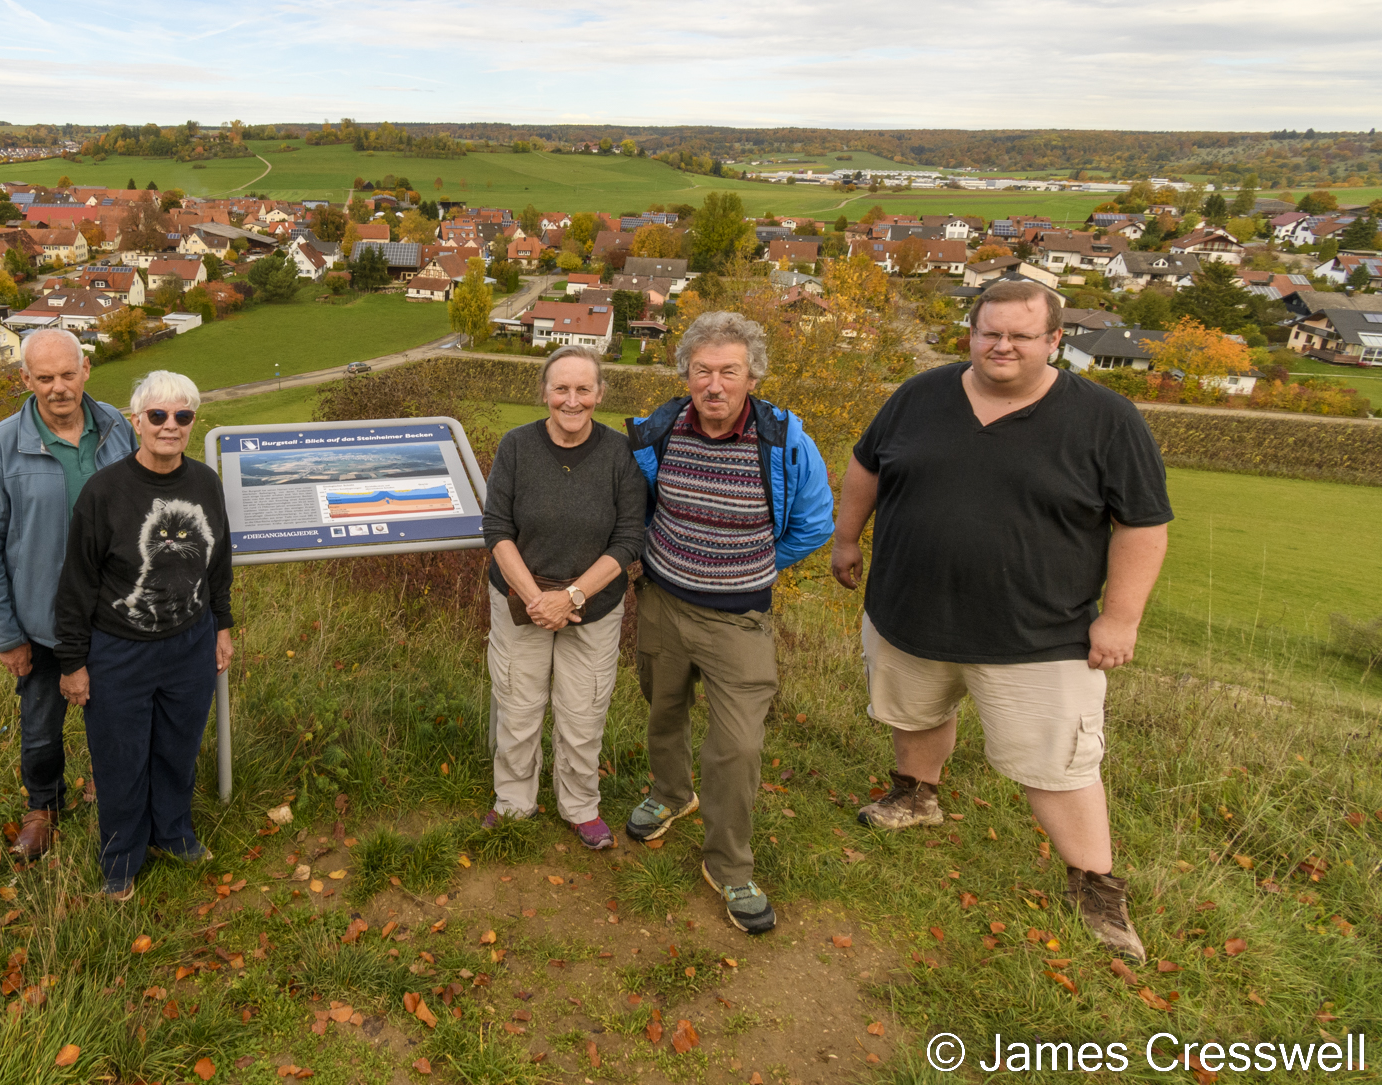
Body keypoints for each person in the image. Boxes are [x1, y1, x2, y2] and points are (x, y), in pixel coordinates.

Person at [830, 278, 1170, 961]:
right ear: (973, 334)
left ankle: (1094, 886)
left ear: (1053, 341)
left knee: (1060, 761)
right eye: (990, 331)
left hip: (1038, 635)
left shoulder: (1107, 419)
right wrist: (847, 539)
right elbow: (865, 467)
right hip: (909, 609)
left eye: (1020, 334)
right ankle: (916, 794)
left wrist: (1122, 617)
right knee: (914, 708)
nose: (1002, 345)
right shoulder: (920, 396)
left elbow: (1142, 523)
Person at [623, 312, 834, 935]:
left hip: (739, 621)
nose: (714, 385)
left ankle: (730, 866)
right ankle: (669, 793)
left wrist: (757, 567)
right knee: (662, 710)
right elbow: (640, 509)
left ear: (752, 376)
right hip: (661, 602)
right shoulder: (656, 430)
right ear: (686, 372)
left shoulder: (784, 438)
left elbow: (815, 524)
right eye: (703, 370)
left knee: (737, 745)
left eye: (729, 372)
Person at [54, 371, 234, 900]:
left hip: (189, 642)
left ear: (193, 422)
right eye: (157, 416)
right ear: (136, 422)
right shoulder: (104, 492)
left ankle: (174, 834)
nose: (170, 426)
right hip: (119, 650)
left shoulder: (205, 482)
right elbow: (76, 583)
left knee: (178, 748)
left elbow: (218, 562)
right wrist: (72, 661)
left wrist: (221, 625)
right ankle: (121, 857)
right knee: (121, 757)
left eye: (182, 416)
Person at [0, 328, 135, 860]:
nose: (59, 387)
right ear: (26, 380)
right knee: (40, 727)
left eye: (67, 374)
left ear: (86, 368)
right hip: (39, 622)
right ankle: (44, 806)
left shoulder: (117, 429)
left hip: (114, 614)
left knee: (117, 715)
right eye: (45, 378)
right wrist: (7, 636)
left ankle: (111, 793)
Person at [481, 345, 646, 849]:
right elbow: (497, 529)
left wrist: (571, 596)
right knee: (517, 705)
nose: (571, 400)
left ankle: (579, 805)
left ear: (599, 393)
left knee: (583, 713)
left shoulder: (620, 455)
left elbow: (629, 539)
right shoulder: (516, 447)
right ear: (544, 392)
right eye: (561, 388)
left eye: (583, 389)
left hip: (593, 607)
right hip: (520, 601)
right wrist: (538, 599)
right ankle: (513, 802)